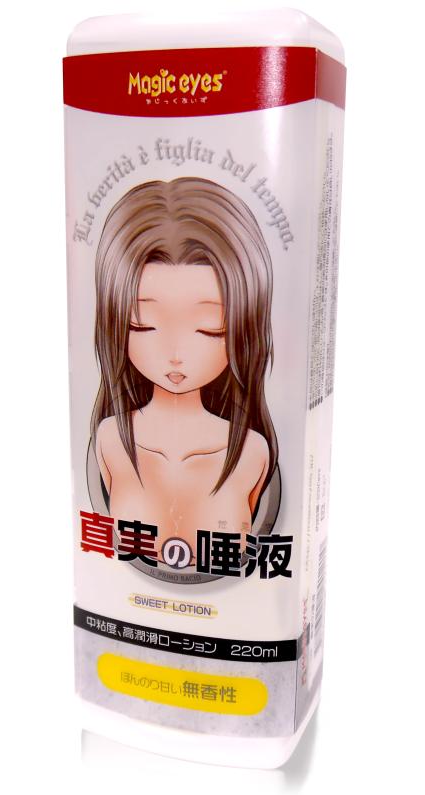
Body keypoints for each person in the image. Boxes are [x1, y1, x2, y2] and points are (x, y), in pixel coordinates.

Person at [90, 176, 278, 567]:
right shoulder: (109, 439)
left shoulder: (252, 451)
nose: (175, 354)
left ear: (243, 328)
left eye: (210, 329)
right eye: (143, 325)